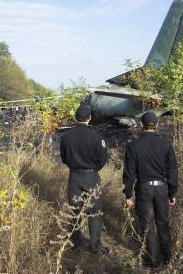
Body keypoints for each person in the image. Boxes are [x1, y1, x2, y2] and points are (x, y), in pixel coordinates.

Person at [123, 112, 178, 267]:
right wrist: (172, 193)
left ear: (142, 125)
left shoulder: (133, 146)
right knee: (162, 223)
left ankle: (152, 260)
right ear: (157, 124)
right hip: (161, 188)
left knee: (147, 224)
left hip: (143, 188)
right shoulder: (166, 145)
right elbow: (172, 171)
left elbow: (129, 173)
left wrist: (128, 194)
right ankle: (167, 258)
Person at [60, 105, 109, 254]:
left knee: (75, 211)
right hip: (91, 176)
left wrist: (75, 167)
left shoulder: (66, 137)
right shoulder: (96, 136)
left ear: (76, 118)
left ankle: (77, 245)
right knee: (93, 212)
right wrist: (93, 170)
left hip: (74, 176)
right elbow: (103, 159)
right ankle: (94, 246)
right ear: (90, 118)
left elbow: (64, 158)